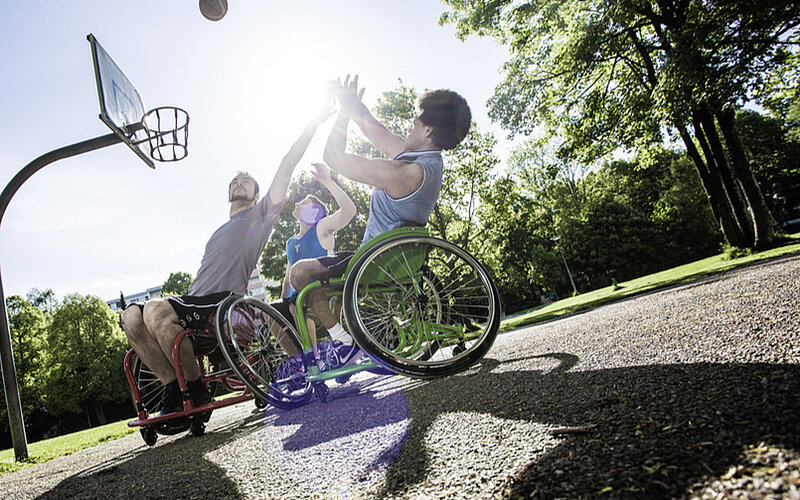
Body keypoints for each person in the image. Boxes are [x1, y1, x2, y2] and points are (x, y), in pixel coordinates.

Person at [121, 107, 332, 416]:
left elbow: (288, 163)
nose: (239, 182)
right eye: (235, 180)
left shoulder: (260, 216)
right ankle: (175, 388)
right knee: (130, 316)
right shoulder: (219, 231)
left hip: (222, 306)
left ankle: (196, 391)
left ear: (258, 193)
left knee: (154, 307)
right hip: (193, 304)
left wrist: (314, 121)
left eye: (246, 180)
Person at [289, 75, 471, 366]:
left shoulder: (406, 173)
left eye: (414, 122)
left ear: (427, 129)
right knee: (329, 296)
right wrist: (351, 105)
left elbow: (334, 157)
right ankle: (348, 339)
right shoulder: (427, 163)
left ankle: (345, 344)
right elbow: (373, 128)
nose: (408, 125)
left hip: (374, 262)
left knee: (299, 274)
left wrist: (343, 116)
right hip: (390, 259)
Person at [272, 162, 356, 363]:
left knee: (297, 299)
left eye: (303, 202)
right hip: (298, 295)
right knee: (272, 311)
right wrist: (282, 301)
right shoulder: (291, 243)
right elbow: (287, 278)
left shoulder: (321, 227)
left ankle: (340, 341)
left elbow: (349, 210)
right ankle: (304, 365)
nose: (297, 203)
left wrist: (327, 181)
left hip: (324, 290)